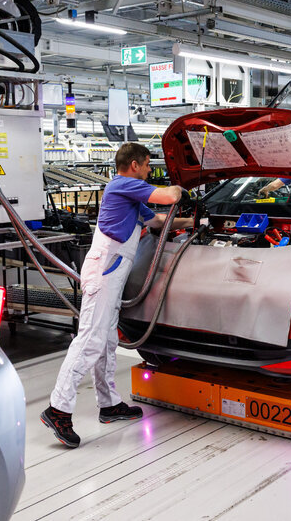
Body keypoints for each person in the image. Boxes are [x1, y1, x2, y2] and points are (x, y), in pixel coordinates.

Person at [41, 143, 194, 448]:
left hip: (113, 271)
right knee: (90, 340)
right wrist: (181, 187)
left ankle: (109, 404)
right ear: (135, 165)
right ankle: (58, 409)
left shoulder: (132, 196)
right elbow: (168, 196)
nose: (150, 170)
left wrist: (192, 223)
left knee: (108, 341)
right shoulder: (122, 185)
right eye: (148, 165)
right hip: (105, 270)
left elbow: (159, 221)